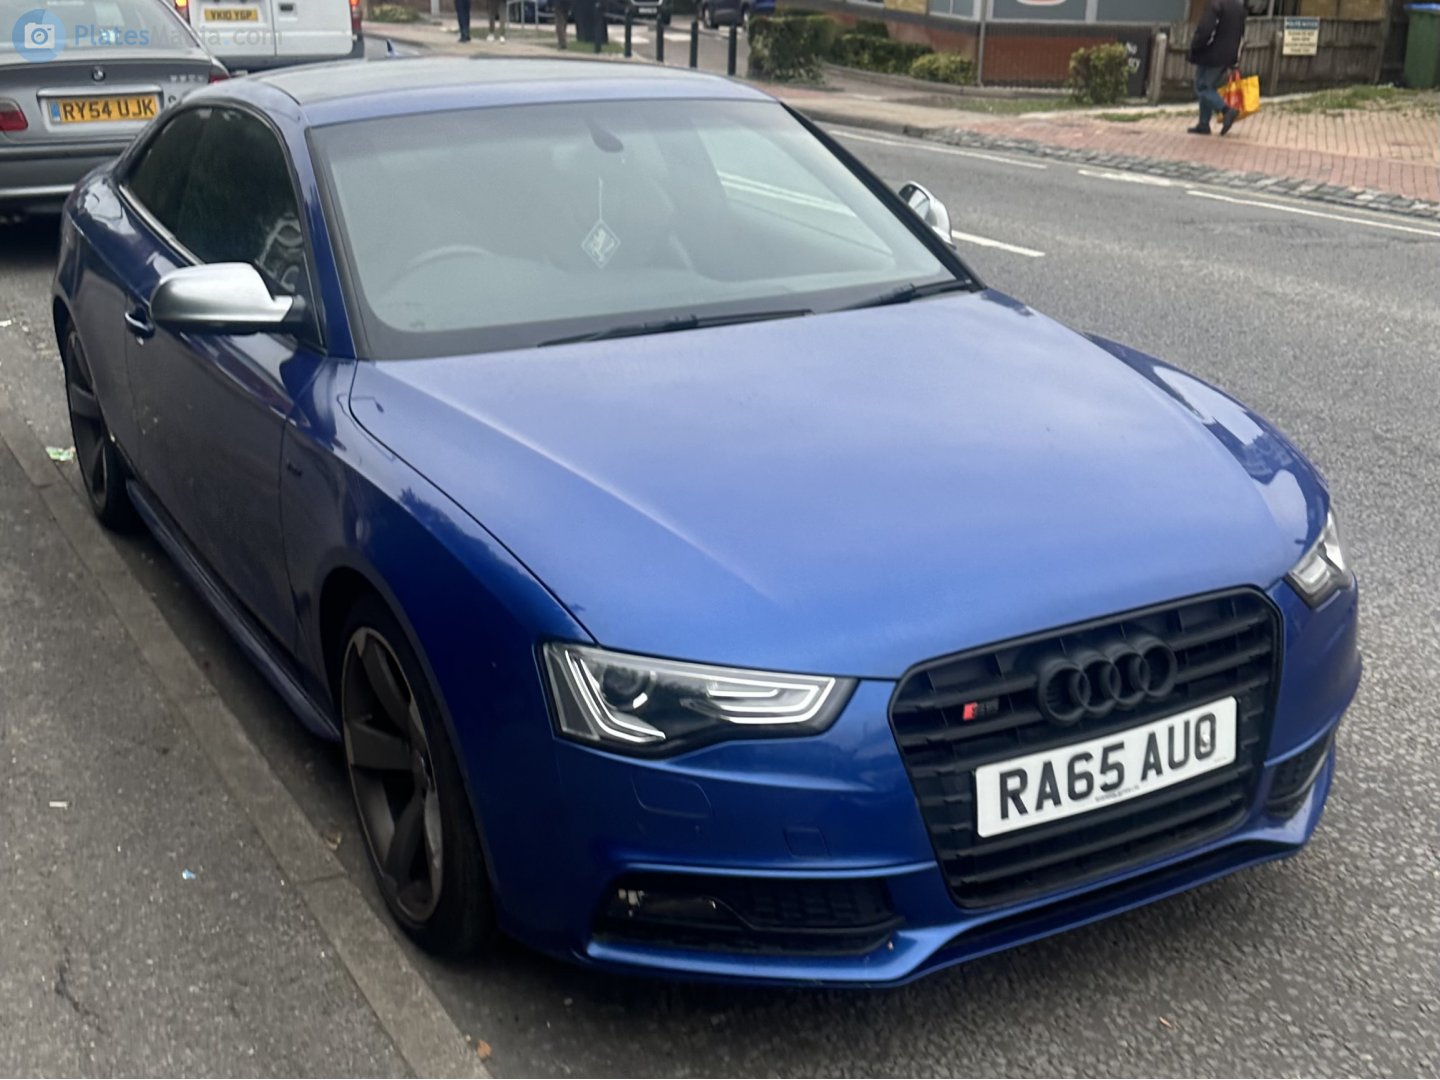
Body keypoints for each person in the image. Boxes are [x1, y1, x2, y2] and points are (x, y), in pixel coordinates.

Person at [1188, 0, 1246, 136]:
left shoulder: (1216, 6)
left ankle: (1226, 110)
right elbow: (1241, 36)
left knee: (1202, 87)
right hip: (1228, 55)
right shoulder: (1239, 9)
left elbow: (1206, 31)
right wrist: (1235, 61)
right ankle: (1203, 124)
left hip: (1210, 53)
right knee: (1209, 86)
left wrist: (1195, 46)